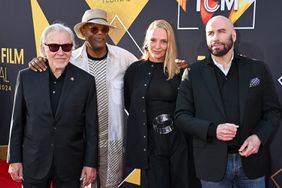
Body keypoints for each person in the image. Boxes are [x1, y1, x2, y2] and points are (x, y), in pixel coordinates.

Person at [28, 8, 138, 188]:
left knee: (111, 185)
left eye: (104, 29)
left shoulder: (123, 58)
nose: (100, 34)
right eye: (94, 29)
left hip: (112, 141)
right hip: (80, 143)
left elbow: (147, 68)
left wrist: (172, 64)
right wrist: (38, 61)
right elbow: (51, 69)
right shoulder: (70, 60)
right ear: (83, 32)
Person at [175, 15, 281, 187]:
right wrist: (212, 130)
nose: (215, 37)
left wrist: (258, 137)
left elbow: (272, 111)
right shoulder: (193, 73)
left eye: (221, 31)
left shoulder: (256, 69)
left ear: (233, 35)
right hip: (211, 164)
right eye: (210, 33)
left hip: (252, 163)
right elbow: (181, 116)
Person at [7, 23, 98, 188]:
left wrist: (90, 163)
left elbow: (91, 128)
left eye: (67, 46)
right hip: (34, 161)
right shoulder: (26, 77)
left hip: (70, 165)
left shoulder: (86, 81)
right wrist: (14, 159)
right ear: (44, 48)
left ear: (72, 48)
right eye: (54, 47)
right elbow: (17, 123)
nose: (61, 52)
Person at [123, 19, 191, 188]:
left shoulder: (179, 70)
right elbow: (130, 103)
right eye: (153, 40)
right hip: (150, 146)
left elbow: (189, 107)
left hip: (178, 144)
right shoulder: (134, 70)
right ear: (147, 40)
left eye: (163, 41)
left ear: (170, 44)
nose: (157, 46)